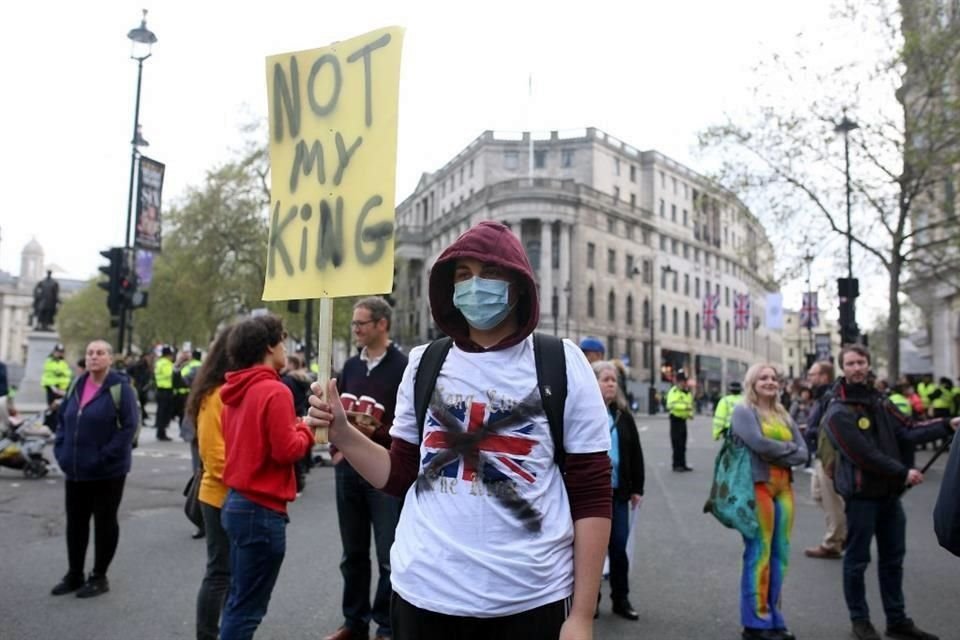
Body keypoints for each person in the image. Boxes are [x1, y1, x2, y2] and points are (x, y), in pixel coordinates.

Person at [307, 220, 611, 640]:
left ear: (519, 285)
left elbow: (591, 492)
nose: (475, 285)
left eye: (490, 274)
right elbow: (399, 474)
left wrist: (582, 615)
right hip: (424, 595)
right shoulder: (424, 363)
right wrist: (341, 431)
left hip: (530, 599)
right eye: (463, 275)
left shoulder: (563, 363)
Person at [822, 344, 960, 640]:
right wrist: (902, 472)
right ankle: (860, 620)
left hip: (889, 497)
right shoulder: (837, 410)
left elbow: (909, 429)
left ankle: (897, 620)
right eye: (850, 363)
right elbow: (862, 454)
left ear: (869, 365)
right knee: (856, 561)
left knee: (893, 560)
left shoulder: (880, 401)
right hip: (861, 499)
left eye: (861, 362)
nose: (857, 368)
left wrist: (947, 425)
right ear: (842, 368)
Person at [218, 314, 315, 640]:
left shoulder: (232, 390)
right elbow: (287, 451)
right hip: (261, 508)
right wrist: (307, 428)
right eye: (282, 341)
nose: (285, 348)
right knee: (248, 609)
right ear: (269, 346)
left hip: (236, 502)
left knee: (237, 599)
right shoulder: (274, 391)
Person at [325, 297, 408, 640]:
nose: (355, 329)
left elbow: (410, 423)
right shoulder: (350, 367)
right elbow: (337, 412)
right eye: (354, 324)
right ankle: (353, 622)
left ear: (381, 325)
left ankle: (386, 625)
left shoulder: (402, 366)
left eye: (361, 324)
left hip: (384, 469)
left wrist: (379, 432)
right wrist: (336, 447)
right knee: (353, 553)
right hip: (347, 469)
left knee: (389, 554)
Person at [50, 340, 139, 598]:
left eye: (100, 353)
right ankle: (74, 573)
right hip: (75, 468)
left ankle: (99, 576)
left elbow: (128, 428)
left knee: (104, 522)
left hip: (107, 471)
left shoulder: (121, 388)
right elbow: (63, 420)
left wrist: (103, 457)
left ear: (110, 359)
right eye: (90, 353)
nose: (93, 357)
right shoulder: (76, 384)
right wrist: (61, 450)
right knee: (75, 523)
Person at [730, 363, 808, 640]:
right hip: (757, 486)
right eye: (763, 377)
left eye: (773, 378)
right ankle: (755, 622)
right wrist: (788, 451)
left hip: (784, 488)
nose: (769, 382)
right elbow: (758, 444)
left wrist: (781, 453)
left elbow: (804, 453)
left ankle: (775, 617)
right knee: (759, 552)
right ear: (752, 382)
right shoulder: (743, 411)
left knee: (781, 554)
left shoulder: (783, 413)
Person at [187, 327, 235, 640]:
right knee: (219, 572)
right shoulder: (214, 394)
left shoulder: (228, 389)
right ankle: (207, 634)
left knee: (230, 573)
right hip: (220, 496)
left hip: (230, 495)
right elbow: (215, 457)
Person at [592, 360, 644, 622]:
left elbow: (635, 453)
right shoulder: (584, 412)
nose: (611, 384)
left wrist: (638, 488)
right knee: (591, 550)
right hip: (591, 493)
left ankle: (620, 599)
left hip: (619, 492)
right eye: (606, 379)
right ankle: (591, 602)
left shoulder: (623, 416)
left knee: (618, 547)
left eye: (614, 380)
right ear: (593, 383)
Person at [802, 360, 846, 560]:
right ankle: (841, 533)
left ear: (824, 376)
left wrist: (809, 431)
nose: (810, 378)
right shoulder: (822, 396)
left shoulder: (831, 397)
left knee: (831, 499)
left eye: (813, 374)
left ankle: (833, 542)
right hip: (819, 453)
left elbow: (826, 427)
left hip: (828, 454)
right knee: (818, 495)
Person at [666, 371, 694, 471]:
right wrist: (684, 408)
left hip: (683, 420)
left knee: (683, 444)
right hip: (675, 419)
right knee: (676, 443)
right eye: (682, 381)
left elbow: (690, 406)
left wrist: (690, 414)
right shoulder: (673, 392)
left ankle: (683, 464)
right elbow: (670, 405)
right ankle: (676, 465)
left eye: (684, 381)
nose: (683, 383)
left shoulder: (687, 393)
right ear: (677, 382)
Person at [154, 346, 175, 441]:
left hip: (159, 389)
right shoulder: (167, 363)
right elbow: (170, 374)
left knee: (160, 412)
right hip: (166, 390)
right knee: (165, 413)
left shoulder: (158, 362)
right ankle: (162, 433)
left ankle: (160, 431)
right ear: (168, 355)